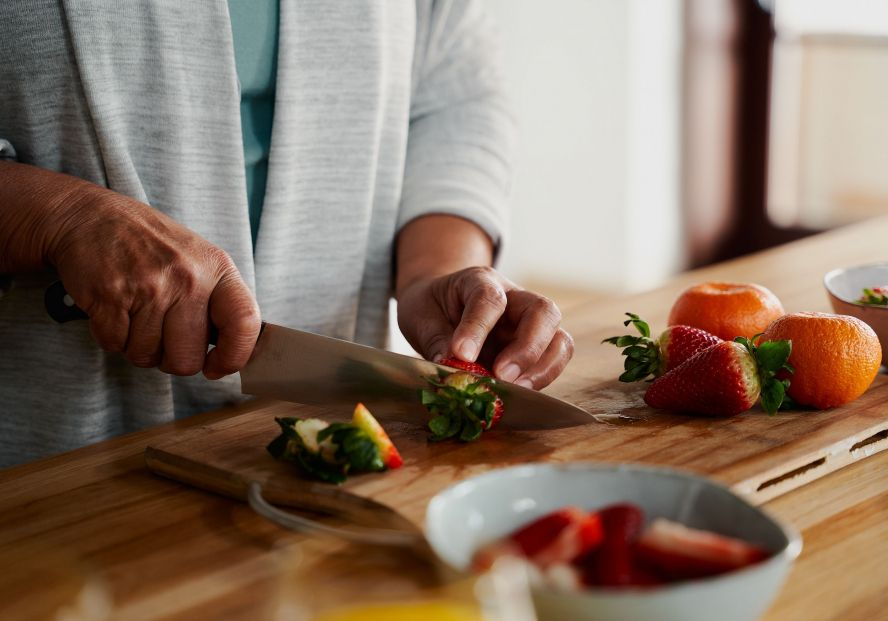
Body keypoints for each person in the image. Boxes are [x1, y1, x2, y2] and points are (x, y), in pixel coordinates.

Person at [0, 0, 574, 468]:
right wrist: (57, 216)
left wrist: (436, 270)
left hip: (315, 475)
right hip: (41, 473)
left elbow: (454, 91)